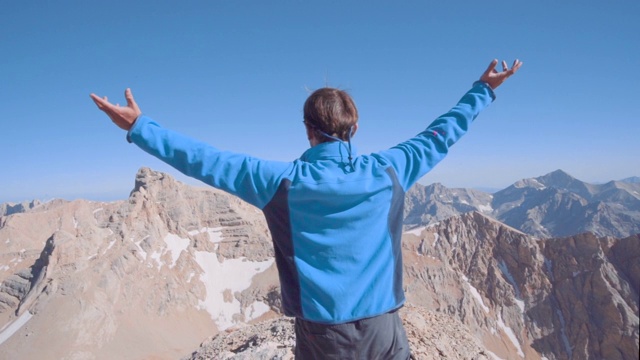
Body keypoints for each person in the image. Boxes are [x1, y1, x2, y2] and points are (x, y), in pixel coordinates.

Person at [91, 59, 522, 359]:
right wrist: (482, 90)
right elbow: (440, 135)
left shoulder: (278, 183)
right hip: (384, 329)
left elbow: (206, 160)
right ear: (355, 129)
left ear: (307, 130)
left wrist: (140, 127)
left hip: (321, 336)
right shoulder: (389, 171)